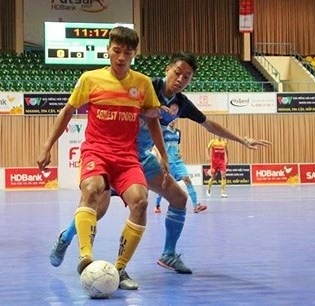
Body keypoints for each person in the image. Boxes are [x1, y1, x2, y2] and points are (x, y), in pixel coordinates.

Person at [49, 52, 271, 276]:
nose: (180, 80)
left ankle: (167, 255)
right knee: (98, 210)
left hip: (142, 159)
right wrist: (148, 111)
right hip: (114, 155)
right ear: (167, 69)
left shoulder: (180, 104)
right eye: (177, 73)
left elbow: (209, 124)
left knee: (179, 198)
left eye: (187, 77)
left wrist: (242, 139)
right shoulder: (145, 86)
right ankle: (65, 238)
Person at [38, 26, 168, 290]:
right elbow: (67, 111)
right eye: (117, 50)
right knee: (92, 190)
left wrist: (163, 154)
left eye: (128, 52)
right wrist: (47, 145)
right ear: (108, 49)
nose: (121, 57)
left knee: (141, 202)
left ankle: (119, 270)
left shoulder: (142, 84)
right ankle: (85, 257)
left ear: (134, 54)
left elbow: (153, 120)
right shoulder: (90, 79)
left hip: (126, 157)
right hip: (96, 151)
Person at [153, 119, 207, 213]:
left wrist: (178, 152)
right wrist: (161, 157)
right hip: (167, 163)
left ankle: (195, 205)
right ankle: (157, 205)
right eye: (171, 119)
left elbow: (176, 145)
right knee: (164, 185)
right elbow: (155, 145)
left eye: (174, 119)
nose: (172, 121)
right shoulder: (163, 131)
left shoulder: (178, 132)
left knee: (187, 180)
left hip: (178, 162)